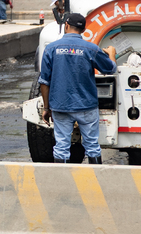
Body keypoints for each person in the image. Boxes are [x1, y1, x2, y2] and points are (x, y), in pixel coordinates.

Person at [38, 12, 117, 164]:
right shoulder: (91, 49)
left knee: (61, 146)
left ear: (66, 25)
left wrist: (47, 107)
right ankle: (95, 180)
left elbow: (44, 81)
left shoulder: (51, 49)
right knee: (92, 146)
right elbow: (110, 69)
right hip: (86, 106)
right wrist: (111, 54)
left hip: (60, 106)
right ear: (83, 30)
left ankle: (62, 182)